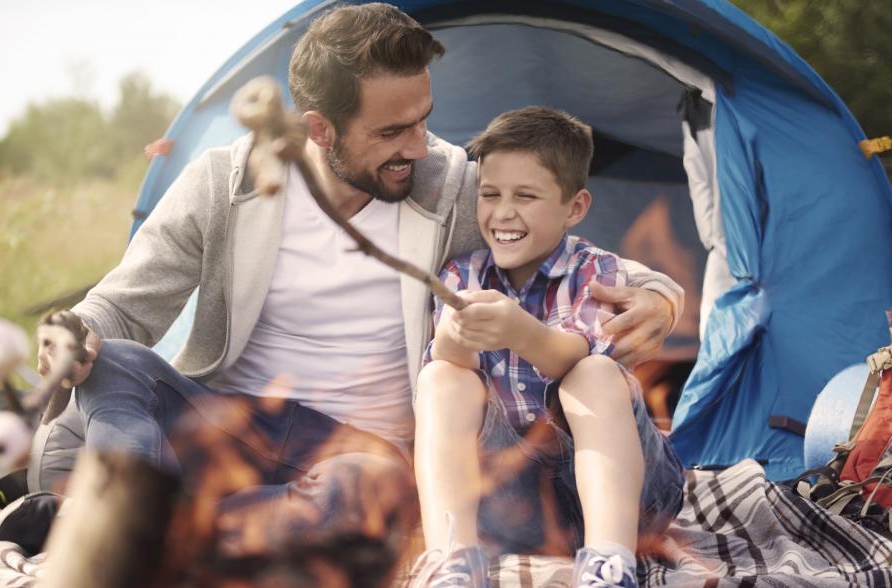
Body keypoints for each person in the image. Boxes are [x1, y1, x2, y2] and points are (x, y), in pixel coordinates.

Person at [38, 4, 683, 557]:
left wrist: (661, 296)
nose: (417, 144)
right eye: (391, 131)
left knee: (363, 499)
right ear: (320, 128)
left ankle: (136, 529)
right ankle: (149, 509)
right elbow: (118, 311)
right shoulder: (223, 184)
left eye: (423, 119)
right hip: (230, 424)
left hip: (361, 454)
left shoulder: (450, 185)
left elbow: (570, 248)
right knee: (117, 365)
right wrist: (76, 336)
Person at [403, 107, 685, 588]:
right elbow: (446, 354)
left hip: (625, 497)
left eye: (525, 197)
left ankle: (608, 575)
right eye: (490, 194)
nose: (503, 213)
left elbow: (573, 356)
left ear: (574, 207)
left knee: (597, 372)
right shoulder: (463, 275)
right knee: (440, 377)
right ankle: (456, 569)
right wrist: (457, 336)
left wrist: (520, 330)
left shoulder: (594, 271)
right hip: (518, 508)